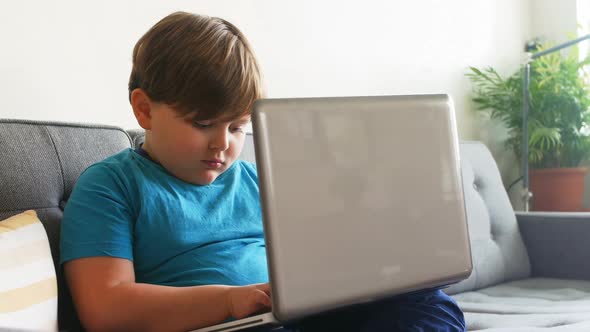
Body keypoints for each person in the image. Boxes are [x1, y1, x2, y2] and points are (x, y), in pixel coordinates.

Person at [60, 11, 466, 332]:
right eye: (203, 124)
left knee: (428, 303)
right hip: (219, 325)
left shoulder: (257, 180)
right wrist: (229, 301)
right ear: (144, 109)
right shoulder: (111, 186)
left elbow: (312, 264)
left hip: (292, 317)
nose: (223, 143)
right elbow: (107, 307)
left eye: (237, 127)